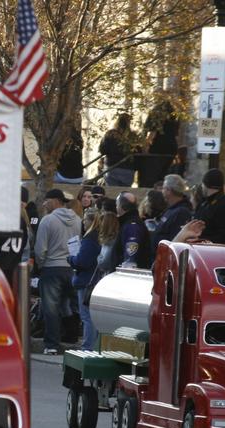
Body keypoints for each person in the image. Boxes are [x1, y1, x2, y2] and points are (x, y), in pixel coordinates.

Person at [34, 189, 81, 355]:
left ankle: (52, 345)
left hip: (52, 268)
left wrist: (41, 264)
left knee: (51, 308)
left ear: (54, 201)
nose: (44, 204)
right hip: (71, 268)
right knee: (71, 305)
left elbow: (40, 249)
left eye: (46, 201)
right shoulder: (78, 220)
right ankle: (72, 337)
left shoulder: (47, 221)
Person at [68, 210, 103, 350]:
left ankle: (87, 347)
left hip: (86, 281)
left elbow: (82, 261)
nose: (83, 222)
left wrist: (70, 259)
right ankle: (92, 346)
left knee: (87, 316)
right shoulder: (98, 237)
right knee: (91, 316)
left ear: (91, 221)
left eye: (85, 220)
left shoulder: (89, 238)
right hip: (93, 279)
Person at [192, 169, 225, 244]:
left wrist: (204, 240)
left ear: (207, 185)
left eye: (203, 184)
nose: (202, 187)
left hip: (216, 251)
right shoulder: (204, 203)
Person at [152, 174, 194, 251]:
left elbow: (177, 242)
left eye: (163, 188)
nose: (162, 191)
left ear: (169, 190)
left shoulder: (181, 212)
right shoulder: (171, 209)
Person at [112, 192, 151, 269]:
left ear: (122, 206)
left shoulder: (132, 226)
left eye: (117, 205)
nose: (116, 208)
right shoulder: (128, 223)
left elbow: (130, 258)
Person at [98, 113, 137, 186]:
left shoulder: (110, 134)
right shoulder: (133, 136)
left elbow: (102, 150)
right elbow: (137, 151)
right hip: (127, 169)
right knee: (125, 191)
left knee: (111, 191)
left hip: (111, 167)